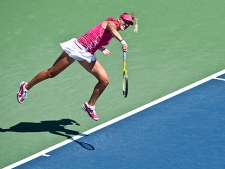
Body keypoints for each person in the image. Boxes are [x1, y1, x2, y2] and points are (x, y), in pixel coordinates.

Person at [17, 12, 138, 121]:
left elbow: (96, 38)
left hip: (87, 54)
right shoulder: (110, 23)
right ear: (119, 19)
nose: (126, 24)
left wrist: (101, 48)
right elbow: (112, 29)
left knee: (105, 80)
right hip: (77, 48)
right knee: (51, 73)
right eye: (125, 21)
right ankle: (26, 86)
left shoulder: (112, 33)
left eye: (129, 24)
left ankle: (89, 105)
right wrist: (122, 41)